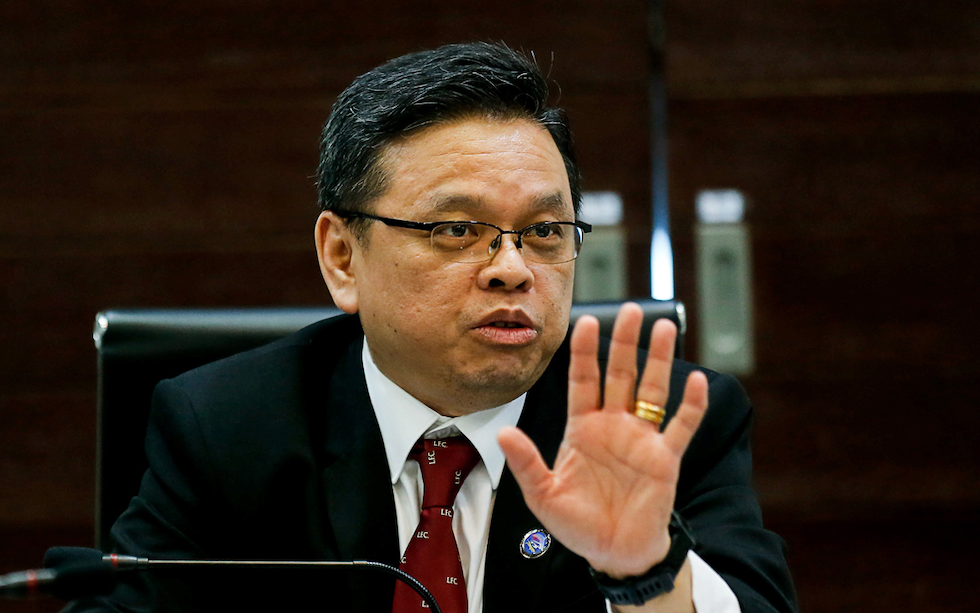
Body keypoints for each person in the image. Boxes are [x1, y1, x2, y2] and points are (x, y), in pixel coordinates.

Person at [67, 42, 795, 613]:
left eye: (543, 230)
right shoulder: (226, 430)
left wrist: (649, 569)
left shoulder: (655, 423)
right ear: (342, 256)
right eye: (455, 227)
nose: (512, 267)